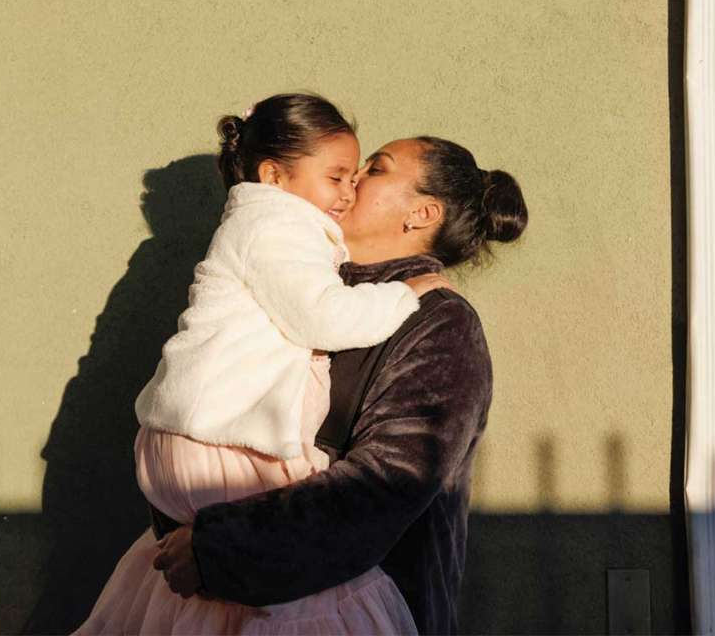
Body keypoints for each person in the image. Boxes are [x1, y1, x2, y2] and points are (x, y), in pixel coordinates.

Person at [73, 94, 449, 634]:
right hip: (220, 440)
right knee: (318, 591)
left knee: (224, 602)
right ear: (275, 175)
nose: (350, 191)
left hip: (192, 437)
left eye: (357, 177)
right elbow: (322, 315)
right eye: (338, 177)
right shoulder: (277, 229)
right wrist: (404, 296)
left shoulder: (263, 225)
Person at [153, 135, 528, 635]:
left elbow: (382, 487)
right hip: (224, 605)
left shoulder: (439, 324)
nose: (350, 179)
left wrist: (215, 548)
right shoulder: (297, 285)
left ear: (422, 214)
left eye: (376, 169)